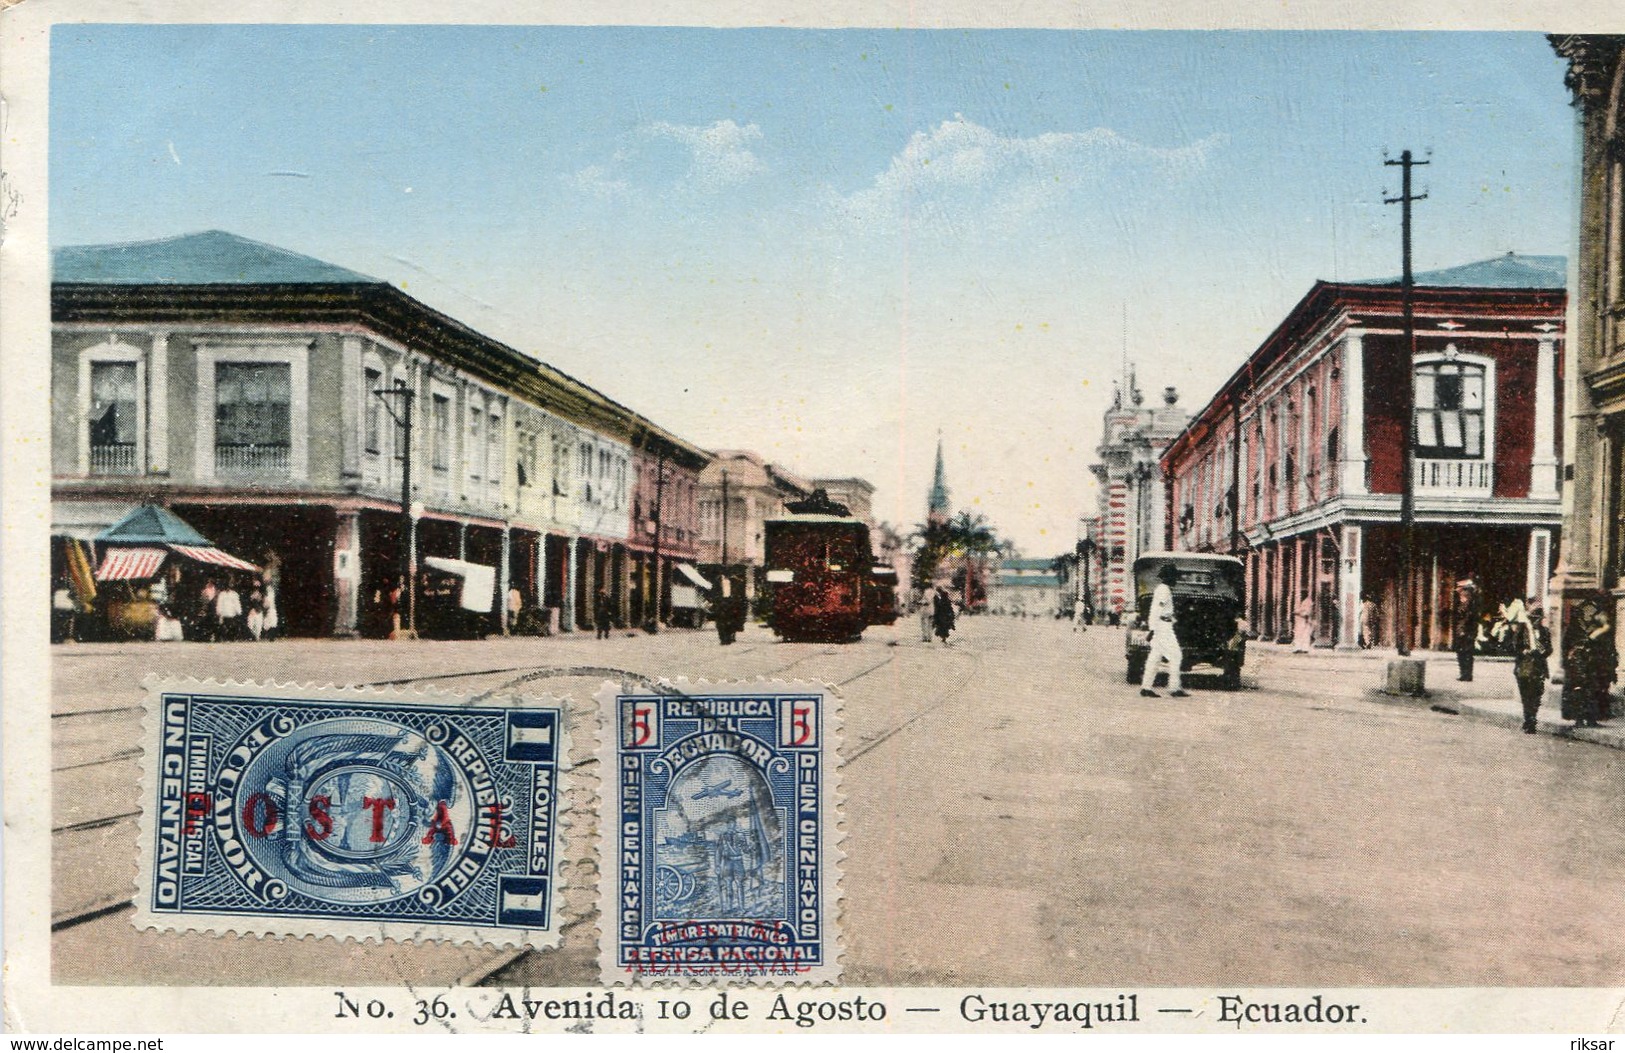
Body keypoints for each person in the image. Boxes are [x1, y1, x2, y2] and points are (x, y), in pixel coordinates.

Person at [1563, 599, 1617, 729]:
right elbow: (1567, 645)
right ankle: (1579, 718)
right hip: (1579, 662)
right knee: (1579, 689)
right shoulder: (1576, 628)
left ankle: (1591, 718)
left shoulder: (1595, 630)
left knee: (1593, 689)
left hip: (1592, 662)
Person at [1141, 564, 1188, 698]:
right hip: (1162, 627)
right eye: (1174, 577)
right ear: (1168, 577)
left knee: (1154, 658)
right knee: (1176, 655)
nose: (1176, 580)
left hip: (1163, 625)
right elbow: (1157, 610)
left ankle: (1146, 687)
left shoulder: (1163, 589)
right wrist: (1152, 630)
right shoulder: (1164, 590)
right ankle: (1174, 688)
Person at [1513, 605, 1553, 734]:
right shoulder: (1522, 629)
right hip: (1524, 666)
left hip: (1538, 666)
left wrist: (1542, 653)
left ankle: (1532, 719)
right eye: (1533, 618)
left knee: (1537, 694)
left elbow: (1549, 648)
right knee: (1526, 695)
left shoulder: (1545, 631)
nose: (1535, 621)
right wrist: (1523, 651)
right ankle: (1528, 720)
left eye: (1538, 618)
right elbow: (1514, 646)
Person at [1451, 582, 1479, 682]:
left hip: (1465, 632)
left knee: (1465, 653)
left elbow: (1465, 619)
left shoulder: (1468, 604)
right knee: (1462, 653)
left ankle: (1466, 674)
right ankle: (1464, 674)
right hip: (1463, 631)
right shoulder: (1464, 602)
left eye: (1461, 589)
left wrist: (1462, 630)